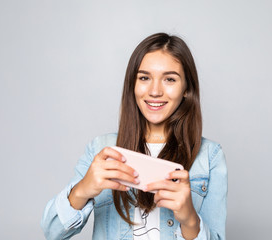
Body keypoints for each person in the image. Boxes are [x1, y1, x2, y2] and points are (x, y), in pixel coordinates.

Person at [41, 33, 227, 240]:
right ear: (132, 84)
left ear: (187, 89)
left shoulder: (210, 156)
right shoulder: (101, 150)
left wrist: (190, 220)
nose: (155, 91)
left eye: (170, 79)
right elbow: (52, 232)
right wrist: (83, 189)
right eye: (144, 78)